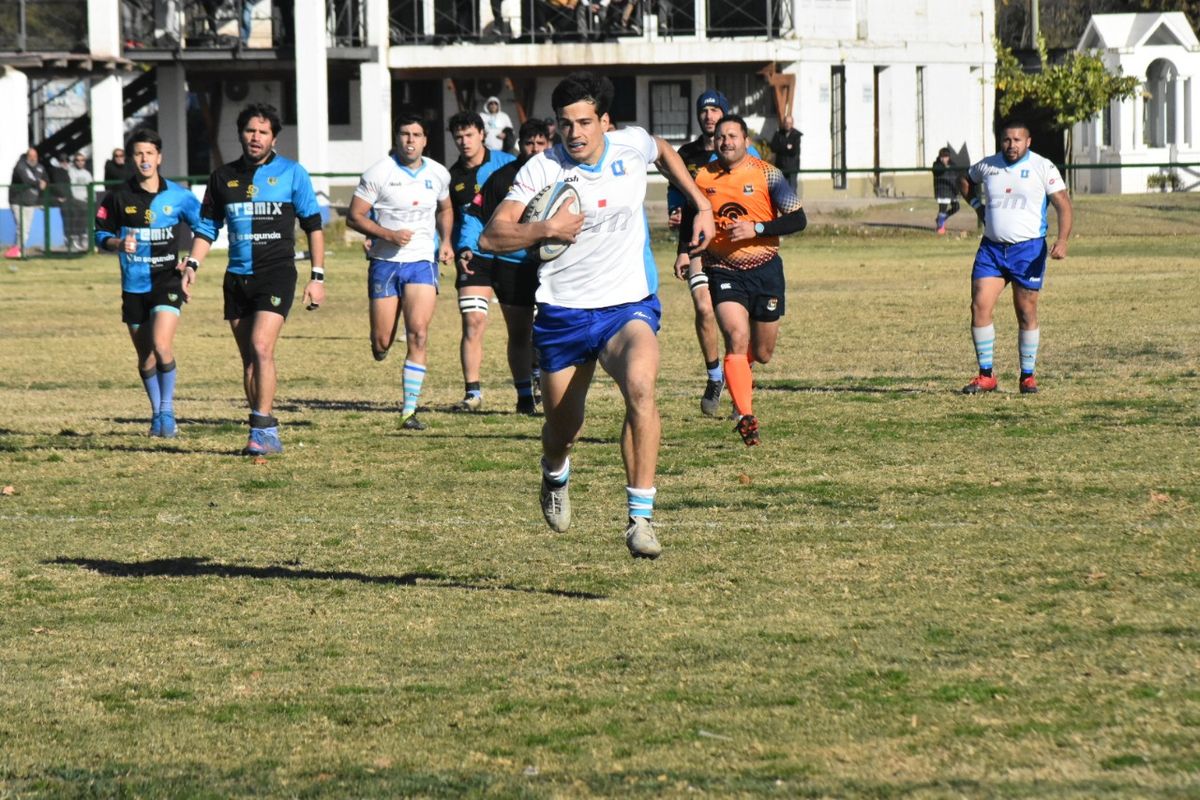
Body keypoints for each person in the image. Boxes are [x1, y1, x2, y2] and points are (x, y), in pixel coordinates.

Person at [479, 71, 715, 559]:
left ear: (605, 121)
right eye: (565, 124)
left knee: (641, 388)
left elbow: (662, 150)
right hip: (563, 312)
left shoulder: (630, 146)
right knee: (564, 430)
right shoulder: (542, 169)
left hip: (627, 306)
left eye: (584, 122)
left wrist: (701, 204)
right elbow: (492, 236)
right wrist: (546, 229)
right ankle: (554, 473)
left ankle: (640, 519)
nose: (575, 133)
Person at [183, 102, 326, 455]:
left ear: (274, 138)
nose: (256, 137)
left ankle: (262, 429)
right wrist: (192, 265)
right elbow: (207, 228)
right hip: (237, 277)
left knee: (262, 347)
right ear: (240, 135)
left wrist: (317, 276)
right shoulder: (222, 177)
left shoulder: (292, 173)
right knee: (249, 359)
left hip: (276, 273)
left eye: (263, 132)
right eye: (250, 130)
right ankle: (264, 430)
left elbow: (313, 225)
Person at [678, 114, 806, 447]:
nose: (726, 142)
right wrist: (684, 252)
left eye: (732, 136)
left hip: (766, 269)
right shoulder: (702, 176)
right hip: (722, 268)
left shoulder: (768, 174)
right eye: (721, 137)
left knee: (762, 352)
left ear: (745, 141)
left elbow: (798, 219)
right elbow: (692, 215)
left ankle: (741, 373)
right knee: (735, 336)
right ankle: (745, 416)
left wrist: (757, 228)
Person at [94, 129, 207, 438]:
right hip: (134, 284)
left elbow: (205, 227)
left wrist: (190, 261)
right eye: (138, 153)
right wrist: (118, 243)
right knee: (145, 357)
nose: (144, 159)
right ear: (132, 159)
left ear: (159, 157)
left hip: (167, 280)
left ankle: (168, 411)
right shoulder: (118, 196)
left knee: (161, 345)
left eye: (149, 153)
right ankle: (157, 413)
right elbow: (100, 233)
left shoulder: (179, 196)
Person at [346, 114, 453, 431]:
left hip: (422, 261)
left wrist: (446, 241)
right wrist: (387, 235)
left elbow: (446, 208)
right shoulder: (378, 172)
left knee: (418, 332)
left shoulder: (438, 173)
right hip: (385, 262)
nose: (410, 140)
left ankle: (409, 411)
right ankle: (380, 347)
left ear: (425, 140)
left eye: (416, 135)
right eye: (405, 134)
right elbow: (355, 216)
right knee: (382, 341)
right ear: (396, 138)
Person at [957, 119, 1072, 396]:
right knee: (979, 306)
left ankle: (1027, 377)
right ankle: (986, 376)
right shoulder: (989, 165)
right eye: (1007, 140)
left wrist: (1062, 240)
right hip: (992, 250)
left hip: (1028, 250)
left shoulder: (1043, 167)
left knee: (1025, 312)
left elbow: (1063, 205)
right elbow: (965, 180)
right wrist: (978, 207)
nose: (1011, 145)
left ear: (1028, 142)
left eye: (1017, 140)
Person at [667, 89, 760, 417]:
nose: (708, 116)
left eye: (714, 110)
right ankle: (714, 376)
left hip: (736, 247)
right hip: (699, 242)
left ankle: (740, 387)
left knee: (738, 324)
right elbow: (678, 192)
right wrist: (681, 243)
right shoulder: (687, 153)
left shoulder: (747, 152)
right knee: (704, 307)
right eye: (703, 111)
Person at [461, 117, 552, 415]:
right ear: (520, 145)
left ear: (549, 144)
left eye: (541, 143)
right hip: (513, 266)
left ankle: (550, 387)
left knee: (551, 330)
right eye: (529, 143)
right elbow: (475, 215)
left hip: (553, 265)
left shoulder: (562, 174)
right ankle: (525, 396)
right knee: (520, 332)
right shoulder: (503, 178)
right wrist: (466, 247)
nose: (535, 149)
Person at [446, 111, 516, 412]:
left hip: (513, 255)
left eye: (469, 135)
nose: (464, 141)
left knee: (521, 328)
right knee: (473, 322)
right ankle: (472, 393)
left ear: (482, 134)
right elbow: (448, 218)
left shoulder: (507, 164)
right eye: (458, 137)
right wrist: (451, 247)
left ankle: (531, 384)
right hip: (473, 257)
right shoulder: (451, 178)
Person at [7, 148, 48, 258]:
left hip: (30, 202)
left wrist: (44, 182)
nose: (33, 158)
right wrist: (39, 183)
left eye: (35, 156)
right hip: (17, 201)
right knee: (22, 226)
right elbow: (26, 180)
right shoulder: (20, 166)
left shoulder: (40, 167)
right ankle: (17, 250)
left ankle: (17, 249)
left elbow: (45, 178)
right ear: (26, 156)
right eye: (31, 156)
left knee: (26, 228)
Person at [65, 152, 93, 252]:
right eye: (78, 160)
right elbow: (71, 188)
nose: (80, 162)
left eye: (82, 160)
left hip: (86, 201)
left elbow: (91, 188)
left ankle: (83, 237)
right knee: (77, 218)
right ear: (74, 161)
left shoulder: (87, 173)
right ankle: (75, 239)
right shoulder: (71, 172)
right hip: (75, 200)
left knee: (87, 218)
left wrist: (91, 199)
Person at [770, 114, 802, 195]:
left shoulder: (796, 135)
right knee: (781, 191)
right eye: (786, 122)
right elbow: (773, 147)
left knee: (792, 190)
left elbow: (794, 151)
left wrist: (781, 147)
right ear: (784, 123)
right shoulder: (778, 134)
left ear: (792, 123)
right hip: (780, 167)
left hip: (792, 167)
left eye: (790, 123)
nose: (788, 124)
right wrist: (786, 147)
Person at [932, 147, 961, 235]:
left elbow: (957, 176)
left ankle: (940, 219)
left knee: (956, 207)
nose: (944, 158)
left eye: (946, 156)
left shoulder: (953, 164)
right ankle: (940, 228)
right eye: (942, 156)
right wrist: (944, 166)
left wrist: (957, 189)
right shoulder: (936, 164)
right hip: (942, 191)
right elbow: (938, 172)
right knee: (942, 209)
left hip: (952, 190)